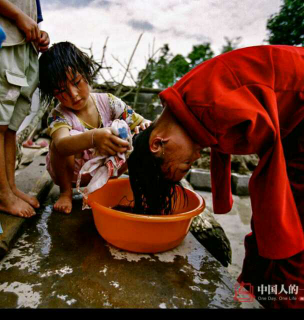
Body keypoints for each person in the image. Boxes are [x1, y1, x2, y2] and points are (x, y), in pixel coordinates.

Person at [127, 45, 304, 308]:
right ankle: (254, 292)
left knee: (291, 227)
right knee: (270, 215)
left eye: (182, 168)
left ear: (157, 144)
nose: (195, 160)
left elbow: (271, 176)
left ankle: (288, 301)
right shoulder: (187, 108)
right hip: (293, 122)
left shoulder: (208, 105)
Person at [38, 41, 151, 215]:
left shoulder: (109, 102)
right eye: (62, 91)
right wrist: (94, 137)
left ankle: (114, 188)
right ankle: (65, 193)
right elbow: (60, 144)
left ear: (86, 73)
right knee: (57, 145)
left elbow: (139, 121)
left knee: (138, 138)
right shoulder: (59, 115)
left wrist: (144, 126)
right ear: (53, 93)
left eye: (76, 82)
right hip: (72, 174)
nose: (73, 95)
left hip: (106, 170)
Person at [0, 0, 50, 218]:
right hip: (0, 40)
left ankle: (10, 187)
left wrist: (40, 35)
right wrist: (16, 16)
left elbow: (32, 14)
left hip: (25, 48)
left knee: (11, 125)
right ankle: (2, 194)